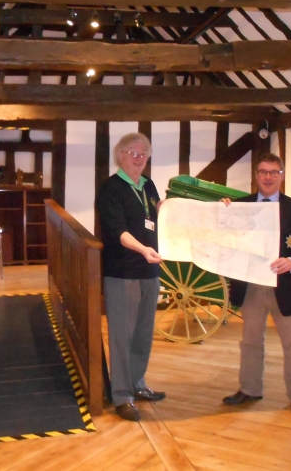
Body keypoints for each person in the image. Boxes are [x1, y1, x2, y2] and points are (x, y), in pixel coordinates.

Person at [221, 153, 291, 419]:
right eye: (263, 172)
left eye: (273, 172)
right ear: (256, 175)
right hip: (250, 285)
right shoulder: (240, 206)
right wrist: (222, 212)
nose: (267, 177)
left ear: (282, 175)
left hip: (283, 285)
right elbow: (223, 236)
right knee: (250, 341)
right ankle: (250, 388)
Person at [95, 132, 166, 422]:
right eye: (133, 153)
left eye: (143, 154)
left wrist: (173, 208)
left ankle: (137, 384)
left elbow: (157, 213)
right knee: (122, 336)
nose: (138, 159)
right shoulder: (111, 189)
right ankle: (122, 395)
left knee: (143, 334)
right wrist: (143, 249)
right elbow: (117, 231)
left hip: (150, 271)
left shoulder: (148, 185)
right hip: (123, 271)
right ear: (120, 155)